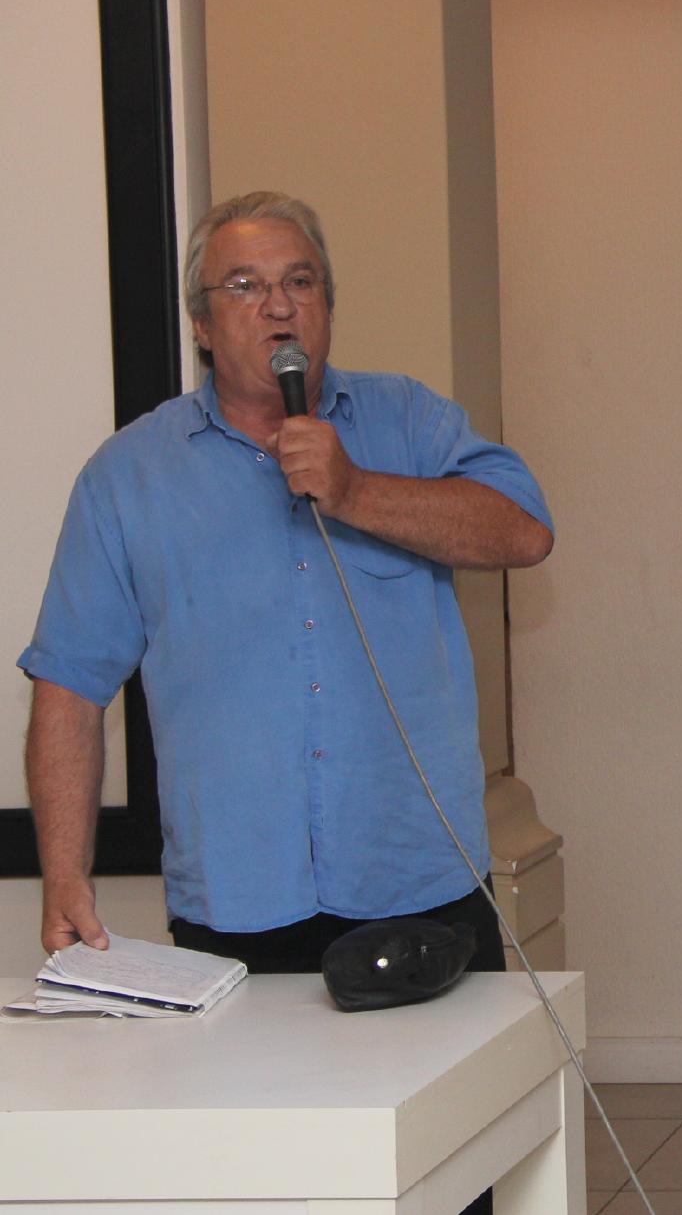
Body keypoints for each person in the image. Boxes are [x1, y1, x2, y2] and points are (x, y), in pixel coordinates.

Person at [19, 190, 554, 975]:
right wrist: (64, 876)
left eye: (300, 282)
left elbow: (525, 530)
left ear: (328, 306)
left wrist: (356, 490)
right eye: (244, 285)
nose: (278, 305)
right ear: (201, 325)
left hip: (418, 884)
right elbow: (68, 684)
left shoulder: (408, 418)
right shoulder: (127, 476)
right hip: (238, 904)